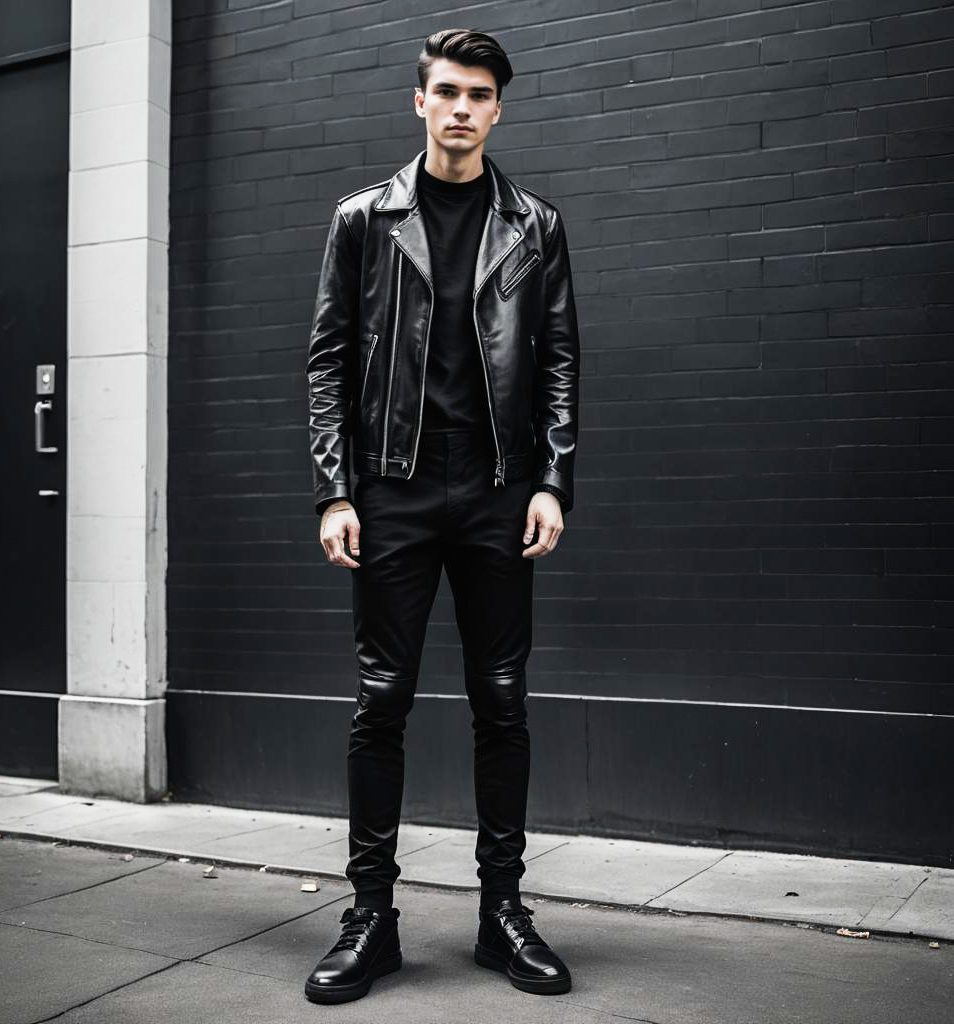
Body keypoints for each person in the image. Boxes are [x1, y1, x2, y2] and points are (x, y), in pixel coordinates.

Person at [303, 27, 580, 1005]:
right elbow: (328, 361)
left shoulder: (534, 225)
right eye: (447, 92)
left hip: (501, 495)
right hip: (394, 493)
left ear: (497, 109)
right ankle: (369, 918)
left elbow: (556, 361)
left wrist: (552, 480)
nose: (463, 108)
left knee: (501, 700)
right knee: (382, 698)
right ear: (419, 102)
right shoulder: (363, 221)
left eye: (479, 95)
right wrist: (337, 489)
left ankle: (502, 914)